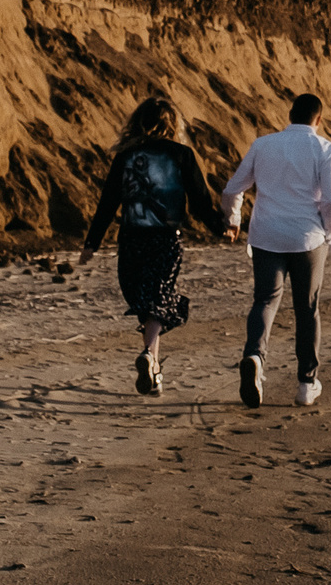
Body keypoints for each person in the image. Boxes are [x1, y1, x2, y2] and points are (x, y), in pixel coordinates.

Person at [79, 94, 225, 398]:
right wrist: (220, 228)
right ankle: (148, 354)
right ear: (173, 124)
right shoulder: (182, 155)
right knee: (158, 299)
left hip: (131, 240)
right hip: (165, 239)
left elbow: (108, 201)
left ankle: (154, 369)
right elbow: (200, 201)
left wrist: (92, 242)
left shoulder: (126, 156)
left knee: (148, 303)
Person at [220, 92, 331, 409]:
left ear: (290, 114)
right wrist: (330, 232)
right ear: (319, 120)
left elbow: (232, 188)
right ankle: (306, 383)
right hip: (307, 237)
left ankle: (254, 356)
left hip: (266, 234)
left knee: (265, 300)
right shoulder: (326, 149)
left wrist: (234, 219)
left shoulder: (263, 144)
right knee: (307, 308)